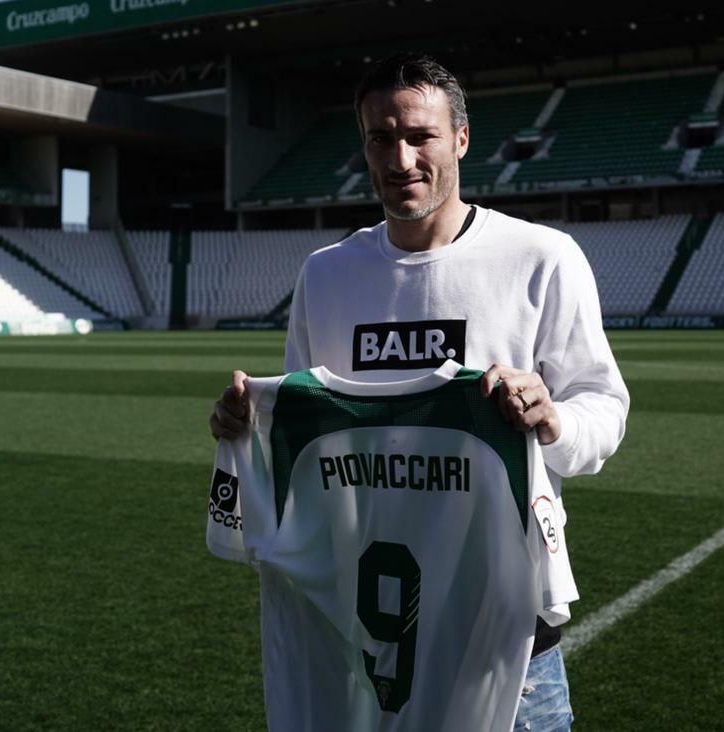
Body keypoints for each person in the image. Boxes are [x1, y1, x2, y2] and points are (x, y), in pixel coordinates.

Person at [211, 52, 629, 731]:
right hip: (366, 641)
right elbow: (305, 440)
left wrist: (553, 419)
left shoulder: (541, 260)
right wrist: (244, 429)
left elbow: (604, 409)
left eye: (419, 136)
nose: (400, 159)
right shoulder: (326, 274)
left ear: (460, 139)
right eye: (381, 138)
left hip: (506, 646)